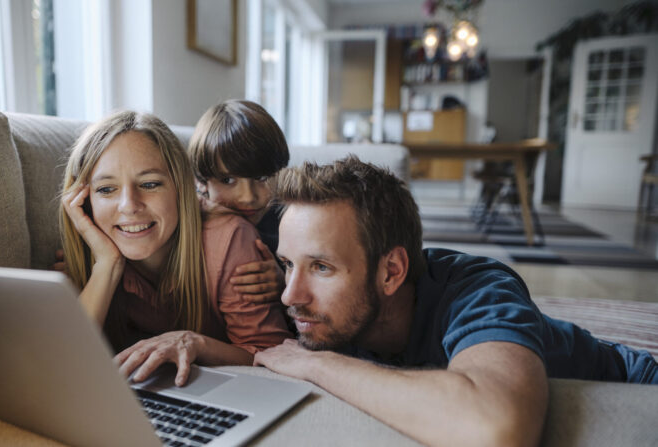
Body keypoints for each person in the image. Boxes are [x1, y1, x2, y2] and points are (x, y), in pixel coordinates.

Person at [254, 156, 658, 447]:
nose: (291, 294)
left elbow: (496, 430)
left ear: (391, 272)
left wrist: (316, 363)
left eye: (321, 267)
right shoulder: (323, 308)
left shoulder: (479, 290)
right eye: (288, 264)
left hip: (631, 389)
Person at [60, 110, 290, 386]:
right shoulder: (93, 247)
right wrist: (106, 267)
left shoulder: (232, 238)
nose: (129, 206)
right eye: (106, 190)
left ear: (182, 188)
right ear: (85, 202)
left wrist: (196, 343)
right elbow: (61, 369)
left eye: (150, 184)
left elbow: (274, 359)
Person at [188, 99, 290, 303]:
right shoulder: (189, 225)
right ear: (201, 182)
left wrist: (285, 283)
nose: (248, 197)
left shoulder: (290, 221)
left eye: (261, 178)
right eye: (228, 180)